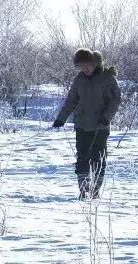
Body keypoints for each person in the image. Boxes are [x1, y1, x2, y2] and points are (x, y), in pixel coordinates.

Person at [53, 48, 122, 199]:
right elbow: (71, 100)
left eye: (87, 66)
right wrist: (61, 118)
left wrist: (107, 117)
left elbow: (116, 99)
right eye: (81, 67)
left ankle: (96, 191)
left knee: (98, 158)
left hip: (100, 126)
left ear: (94, 63)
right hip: (82, 125)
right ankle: (84, 191)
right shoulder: (79, 79)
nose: (85, 70)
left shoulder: (107, 78)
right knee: (82, 158)